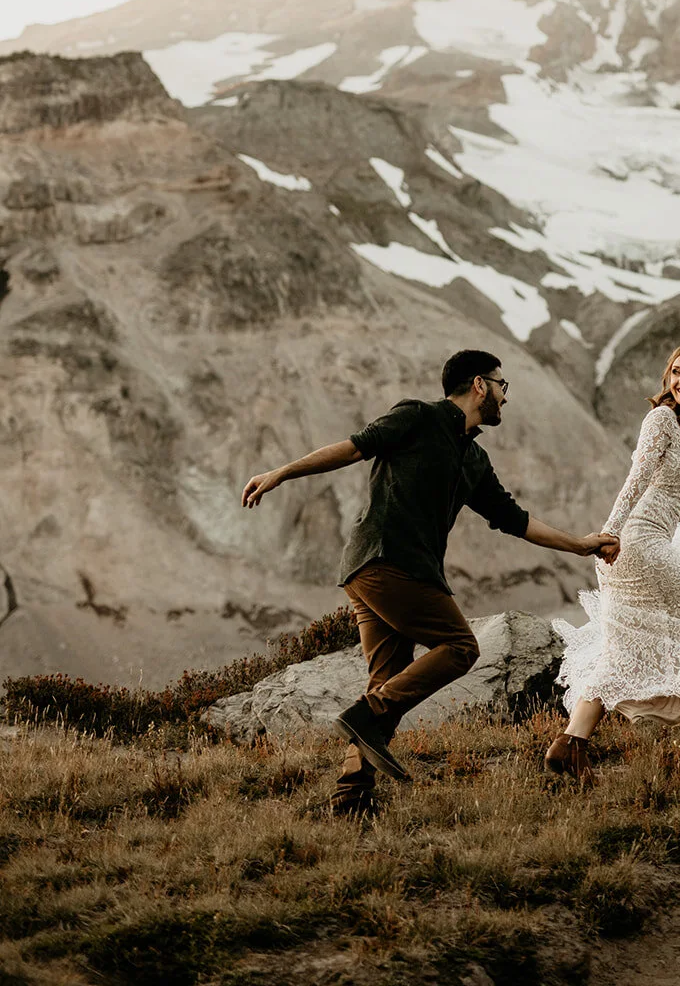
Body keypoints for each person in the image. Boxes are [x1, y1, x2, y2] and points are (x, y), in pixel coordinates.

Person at [242, 348, 620, 815]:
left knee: (388, 679)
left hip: (384, 572)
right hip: (385, 563)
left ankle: (351, 793)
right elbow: (354, 446)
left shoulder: (474, 458)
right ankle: (368, 716)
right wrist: (282, 472)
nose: (506, 397)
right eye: (503, 387)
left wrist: (580, 545)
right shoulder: (417, 417)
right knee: (461, 647)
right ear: (480, 385)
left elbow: (515, 520)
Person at [546, 344, 680, 784]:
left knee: (622, 650)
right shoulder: (660, 420)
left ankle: (570, 745)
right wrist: (610, 534)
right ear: (668, 379)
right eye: (676, 372)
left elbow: (675, 492)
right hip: (637, 542)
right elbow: (636, 479)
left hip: (650, 541)